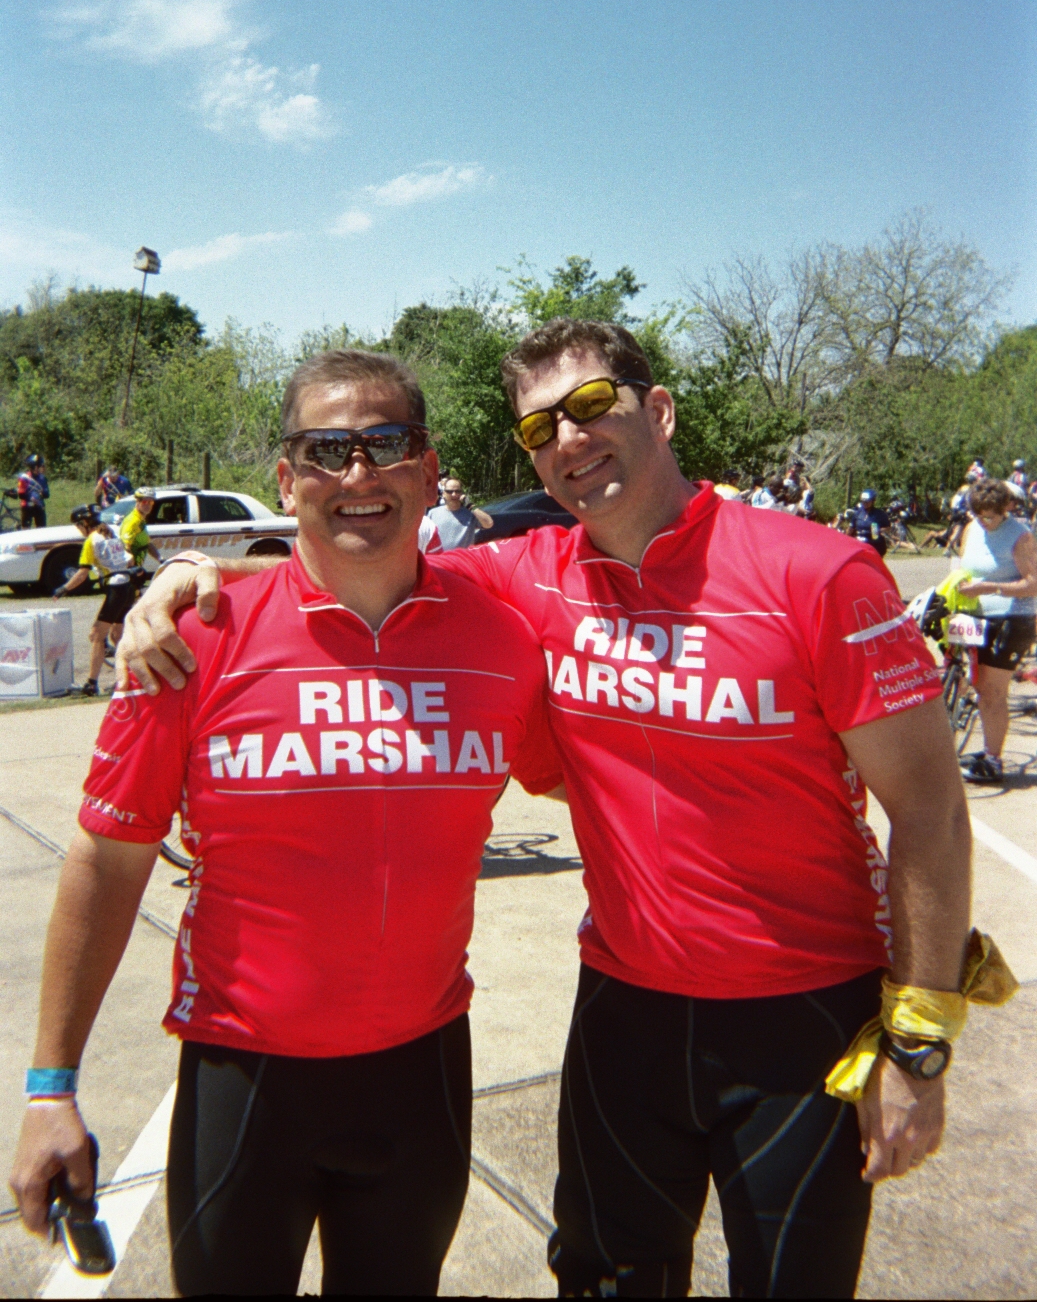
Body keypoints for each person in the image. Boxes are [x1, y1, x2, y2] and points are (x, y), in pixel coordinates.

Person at [118, 320, 972, 1300]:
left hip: (803, 1014)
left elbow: (930, 811)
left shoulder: (819, 572)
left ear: (658, 410)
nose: (567, 438)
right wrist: (192, 577)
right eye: (537, 428)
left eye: (592, 405)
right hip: (625, 1009)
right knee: (600, 1280)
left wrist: (917, 1042)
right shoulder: (528, 576)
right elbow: (355, 554)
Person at [10, 350, 562, 1297]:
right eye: (326, 450)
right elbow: (107, 858)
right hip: (246, 1079)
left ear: (428, 468)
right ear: (285, 476)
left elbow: (610, 777)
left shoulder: (504, 636)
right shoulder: (194, 637)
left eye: (387, 443)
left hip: (423, 1074)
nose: (358, 473)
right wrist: (49, 1087)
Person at [955, 477, 1037, 784]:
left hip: (1011, 618)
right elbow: (962, 566)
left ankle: (993, 759)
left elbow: (1033, 584)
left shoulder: (1020, 535)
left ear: (1006, 509)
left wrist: (990, 587)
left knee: (992, 691)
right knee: (974, 683)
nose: (984, 522)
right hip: (973, 615)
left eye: (990, 517)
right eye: (978, 515)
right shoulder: (971, 528)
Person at [52, 506, 138, 696]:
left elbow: (82, 573)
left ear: (84, 523)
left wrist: (64, 588)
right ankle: (128, 678)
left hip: (116, 589)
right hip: (128, 586)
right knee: (118, 636)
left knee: (96, 635)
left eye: (78, 526)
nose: (78, 530)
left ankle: (91, 684)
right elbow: (130, 560)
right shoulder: (110, 533)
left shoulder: (92, 540)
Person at [425, 477, 493, 550]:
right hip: (440, 557)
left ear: (461, 494)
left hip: (463, 556)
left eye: (457, 491)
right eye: (450, 491)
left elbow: (489, 524)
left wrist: (471, 506)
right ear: (444, 494)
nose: (454, 494)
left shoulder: (470, 514)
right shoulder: (433, 513)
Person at [119, 487, 160, 570]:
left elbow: (147, 544)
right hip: (129, 570)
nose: (148, 505)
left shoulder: (141, 519)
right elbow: (125, 547)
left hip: (138, 566)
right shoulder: (133, 521)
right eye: (144, 502)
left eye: (151, 502)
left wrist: (161, 559)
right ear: (137, 501)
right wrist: (133, 569)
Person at [845, 489, 890, 557]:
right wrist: (846, 539)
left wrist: (879, 530)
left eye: (867, 501)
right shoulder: (858, 513)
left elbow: (888, 527)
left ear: (873, 501)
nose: (865, 503)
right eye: (863, 501)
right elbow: (851, 528)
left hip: (874, 543)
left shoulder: (880, 514)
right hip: (860, 542)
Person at [16, 455, 49, 528]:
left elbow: (47, 494)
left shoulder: (43, 478)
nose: (43, 468)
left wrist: (42, 494)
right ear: (35, 467)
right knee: (26, 529)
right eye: (41, 466)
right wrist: (30, 498)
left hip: (39, 507)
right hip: (27, 507)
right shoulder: (24, 478)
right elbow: (21, 494)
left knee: (42, 530)